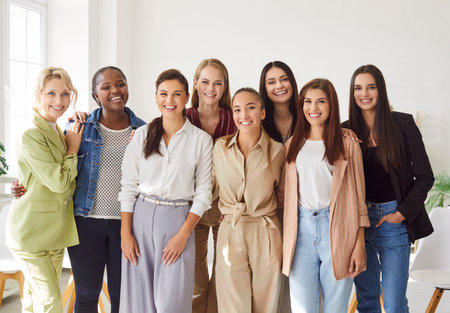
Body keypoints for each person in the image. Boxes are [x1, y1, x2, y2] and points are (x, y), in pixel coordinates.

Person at [118, 69, 213, 313]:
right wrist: (125, 234)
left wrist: (183, 236)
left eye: (176, 94)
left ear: (187, 98)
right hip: (140, 219)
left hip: (177, 220)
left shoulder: (201, 140)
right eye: (163, 94)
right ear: (156, 96)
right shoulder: (141, 136)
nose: (169, 100)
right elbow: (128, 187)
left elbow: (203, 194)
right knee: (139, 303)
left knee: (172, 304)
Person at [343, 64, 434, 313]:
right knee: (367, 302)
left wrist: (402, 213)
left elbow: (425, 176)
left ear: (380, 90)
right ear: (352, 93)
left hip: (394, 220)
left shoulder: (403, 124)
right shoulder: (345, 130)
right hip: (359, 224)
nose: (365, 93)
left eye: (371, 87)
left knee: (394, 305)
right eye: (358, 88)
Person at [281, 78, 369, 313]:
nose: (313, 108)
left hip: (339, 228)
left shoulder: (348, 144)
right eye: (308, 102)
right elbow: (283, 196)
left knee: (335, 308)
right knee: (303, 308)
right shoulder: (292, 145)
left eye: (321, 101)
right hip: (301, 230)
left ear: (331, 106)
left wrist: (359, 244)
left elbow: (360, 198)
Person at [67, 66, 145, 313]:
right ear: (95, 95)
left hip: (127, 225)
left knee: (122, 296)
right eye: (106, 87)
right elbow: (57, 166)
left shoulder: (144, 131)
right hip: (86, 222)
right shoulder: (79, 127)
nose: (115, 90)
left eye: (120, 84)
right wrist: (23, 186)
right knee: (88, 294)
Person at [5, 67, 83, 313]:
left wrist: (79, 121)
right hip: (30, 235)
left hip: (54, 232)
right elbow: (59, 181)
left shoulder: (57, 128)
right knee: (51, 302)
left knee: (32, 301)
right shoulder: (31, 132)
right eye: (51, 93)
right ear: (38, 94)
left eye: (65, 94)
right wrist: (72, 150)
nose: (59, 101)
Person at [213, 88, 284, 313]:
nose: (244, 115)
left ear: (262, 113)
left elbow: (283, 197)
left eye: (251, 107)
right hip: (230, 230)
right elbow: (208, 189)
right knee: (232, 306)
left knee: (266, 305)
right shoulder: (219, 148)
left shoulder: (278, 150)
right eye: (237, 109)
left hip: (266, 231)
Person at [186, 58, 235, 313]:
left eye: (217, 83)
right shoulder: (183, 119)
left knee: (224, 273)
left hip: (224, 206)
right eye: (205, 81)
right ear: (195, 83)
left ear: (224, 87)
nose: (211, 88)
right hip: (191, 207)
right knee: (196, 278)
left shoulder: (235, 119)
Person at [259, 61, 299, 144]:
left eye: (284, 79)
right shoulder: (259, 122)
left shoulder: (307, 116)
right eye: (271, 82)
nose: (279, 86)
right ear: (265, 88)